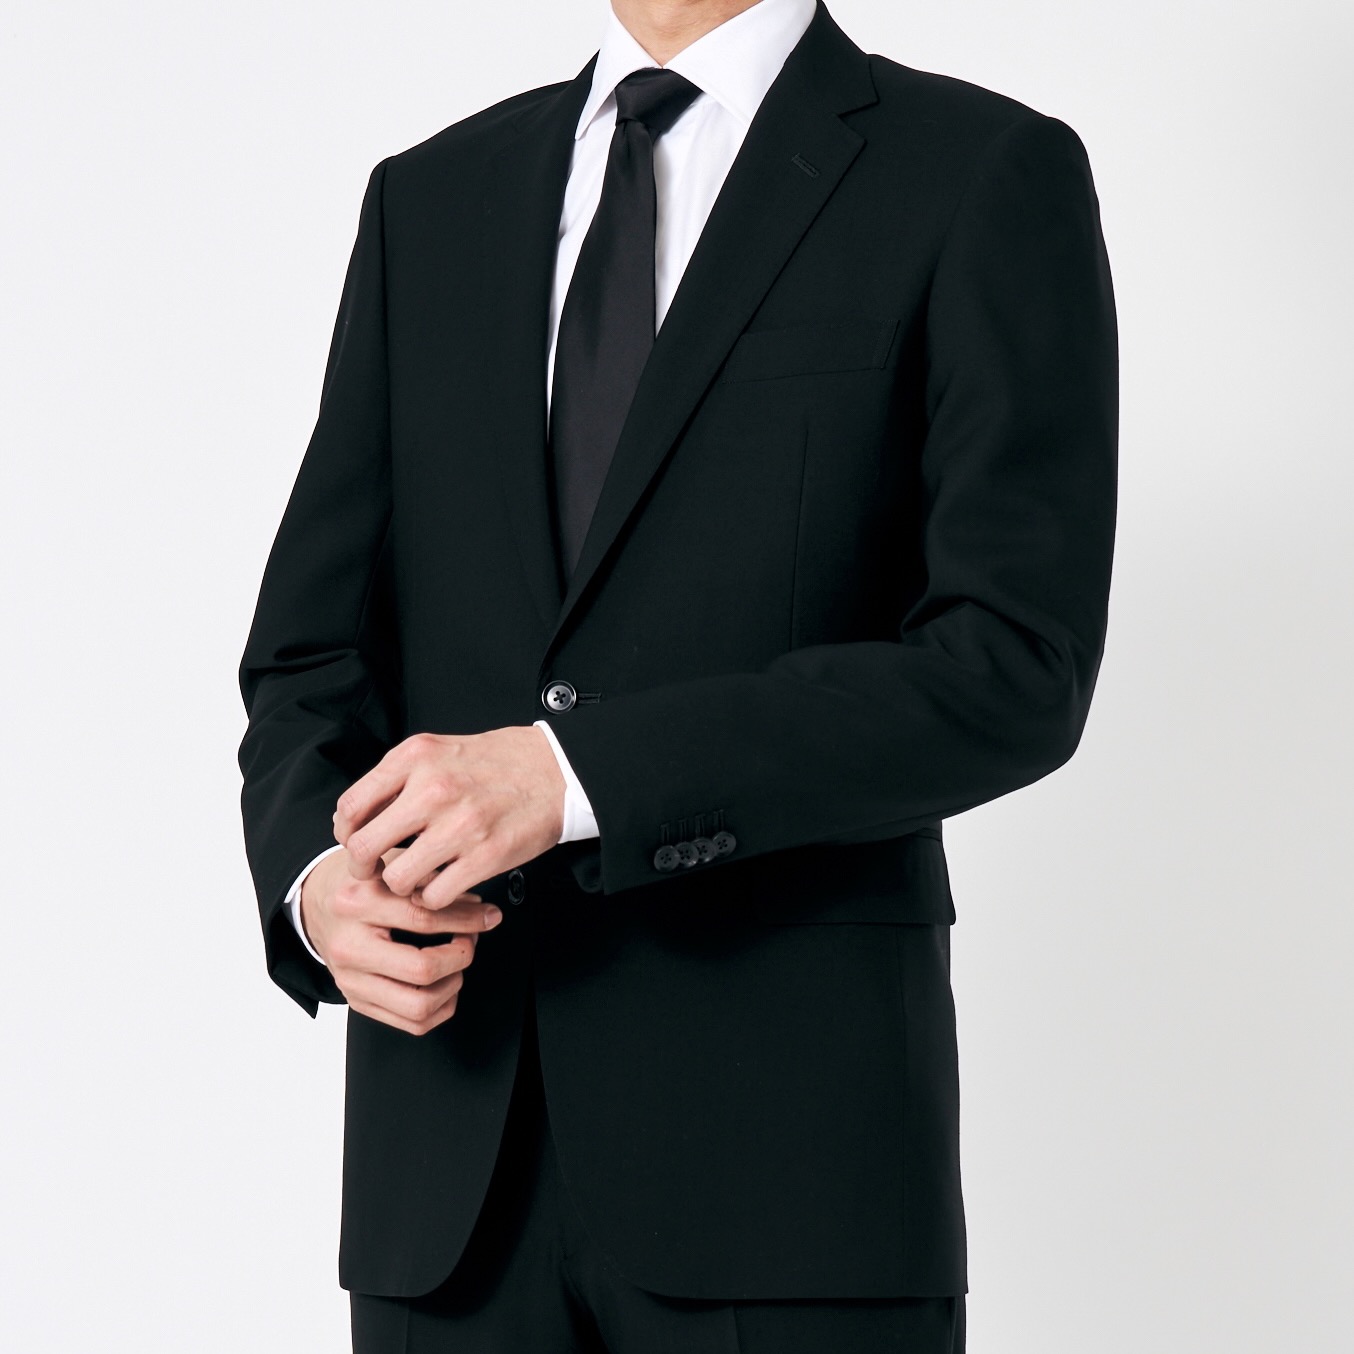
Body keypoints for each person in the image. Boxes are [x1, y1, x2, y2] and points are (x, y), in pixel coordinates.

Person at [237, 0, 1117, 1348]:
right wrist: (317, 884)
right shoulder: (431, 198)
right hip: (449, 1179)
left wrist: (578, 778)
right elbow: (312, 653)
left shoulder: (976, 171)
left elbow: (1011, 665)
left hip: (788, 1182)